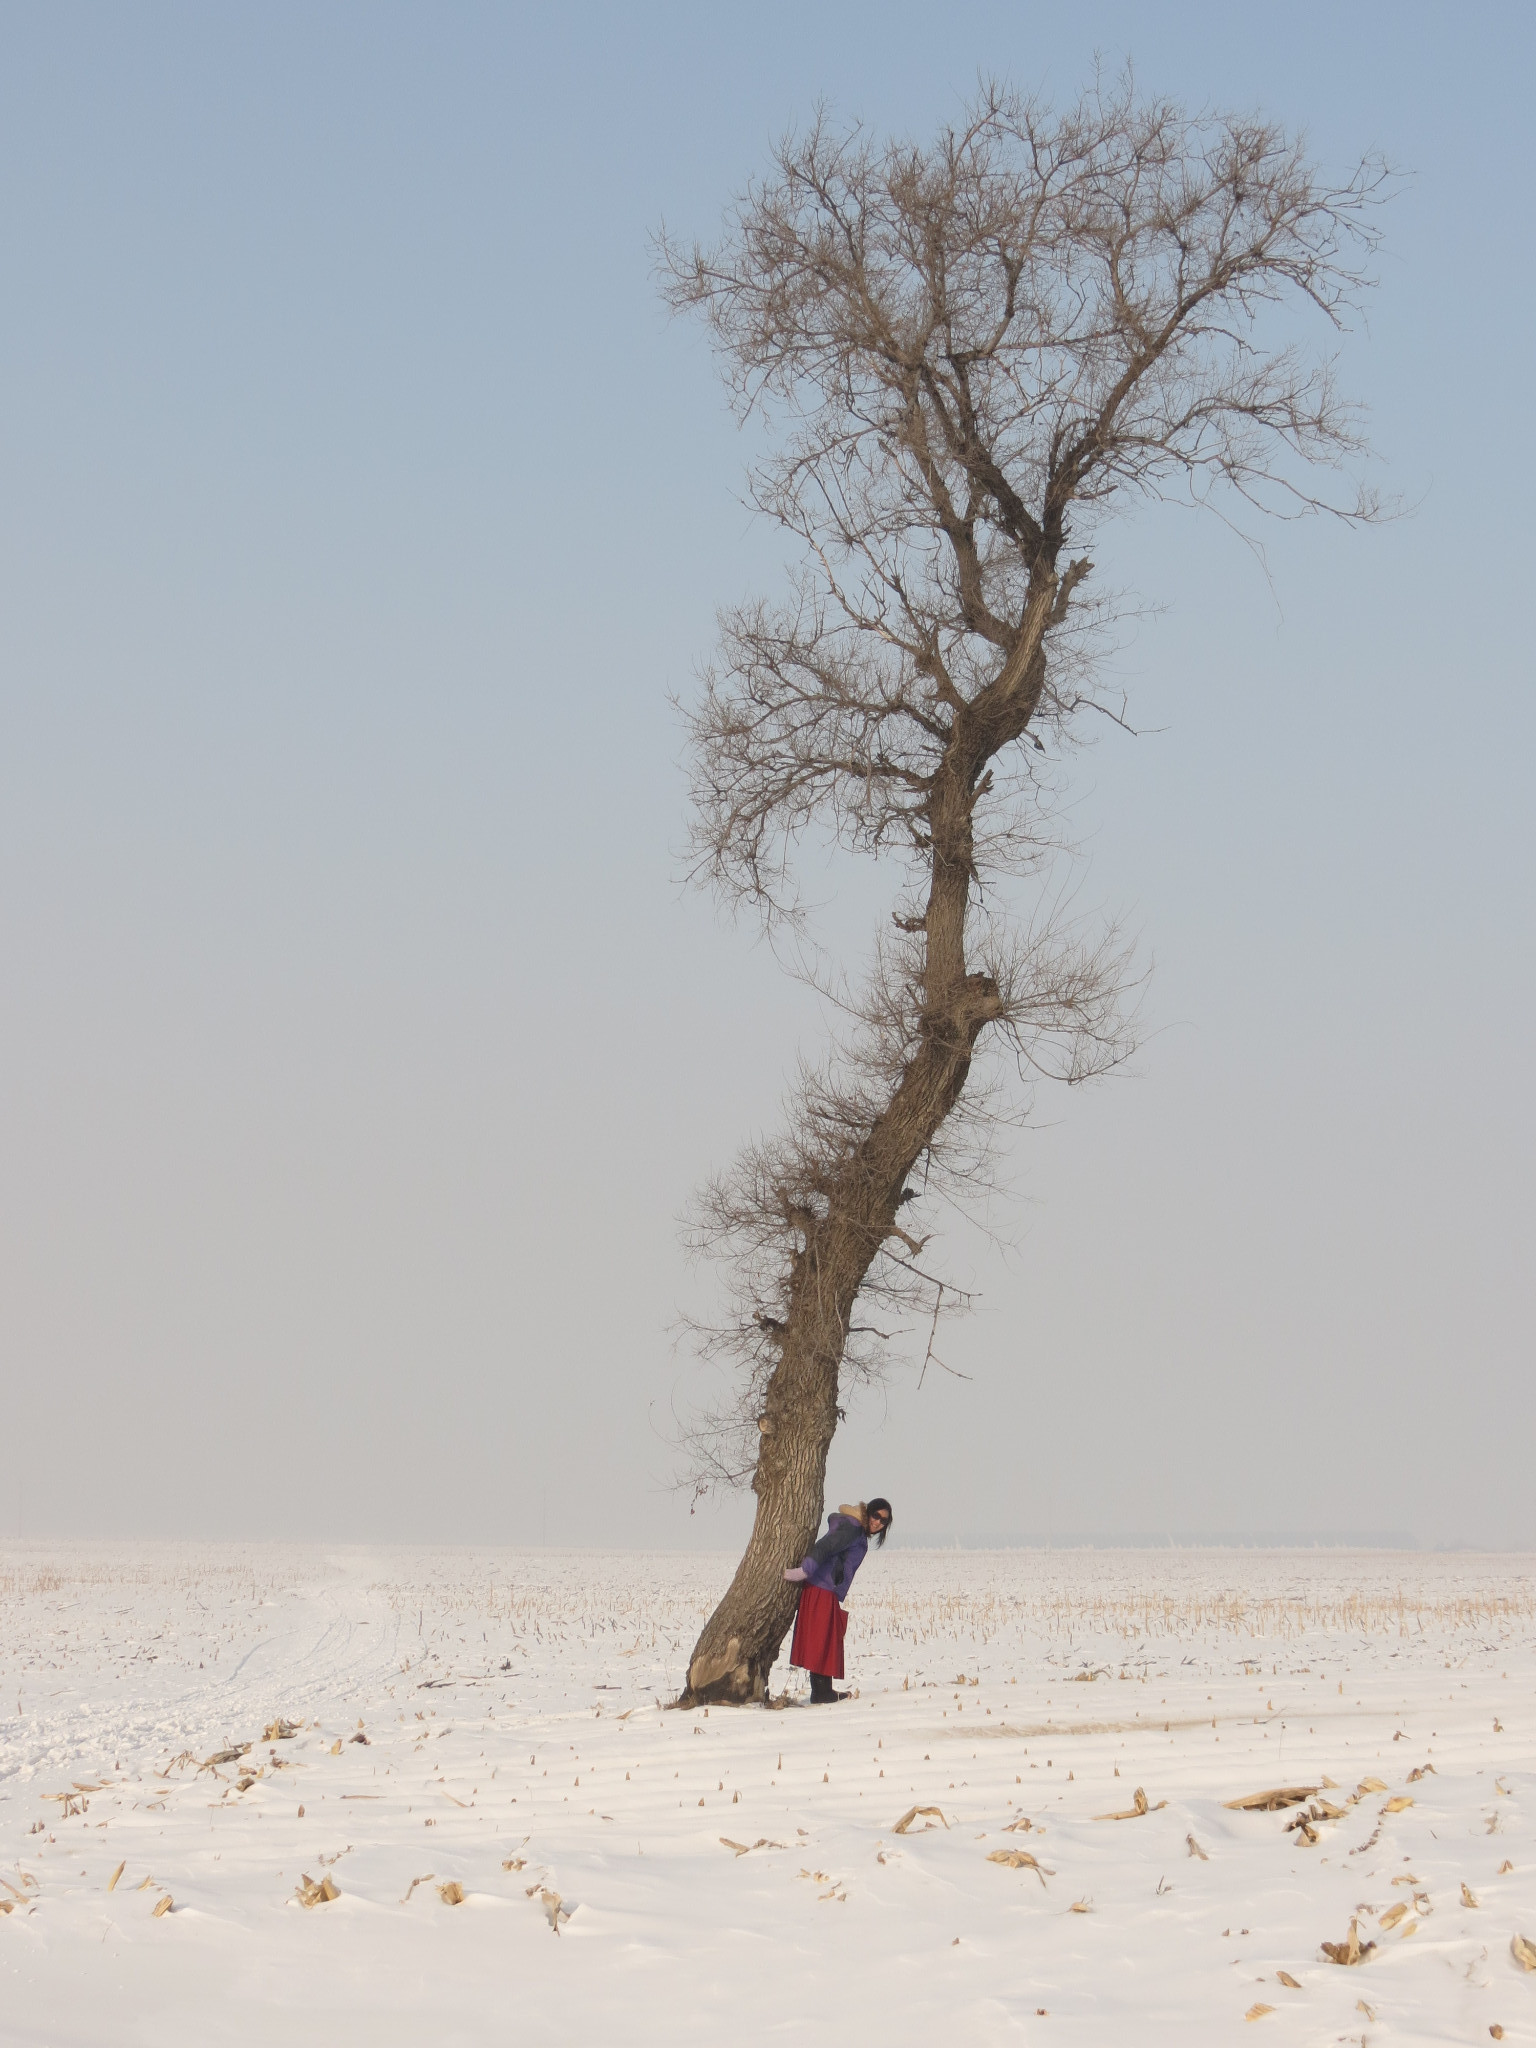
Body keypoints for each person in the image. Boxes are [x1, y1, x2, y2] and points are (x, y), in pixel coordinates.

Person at [783, 1497, 892, 1702]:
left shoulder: (856, 1530)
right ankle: (822, 1693)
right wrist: (805, 1570)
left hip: (826, 1587)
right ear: (868, 1511)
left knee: (825, 1638)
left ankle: (822, 1691)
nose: (878, 1522)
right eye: (876, 1515)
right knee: (822, 1638)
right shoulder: (852, 1528)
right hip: (821, 1586)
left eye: (883, 1521)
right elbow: (826, 1546)